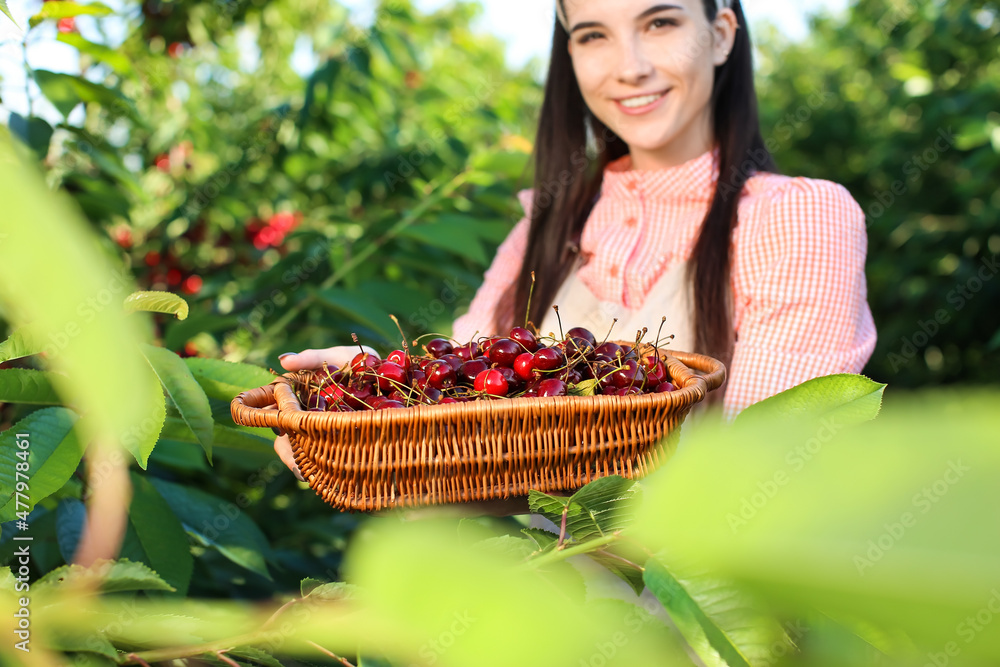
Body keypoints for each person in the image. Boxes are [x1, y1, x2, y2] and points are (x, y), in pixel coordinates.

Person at [273, 0, 876, 481]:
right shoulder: (544, 227)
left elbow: (763, 479)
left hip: (693, 618)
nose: (629, 65)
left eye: (660, 21)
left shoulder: (797, 217)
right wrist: (373, 401)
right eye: (593, 35)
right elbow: (460, 407)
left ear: (720, 34)